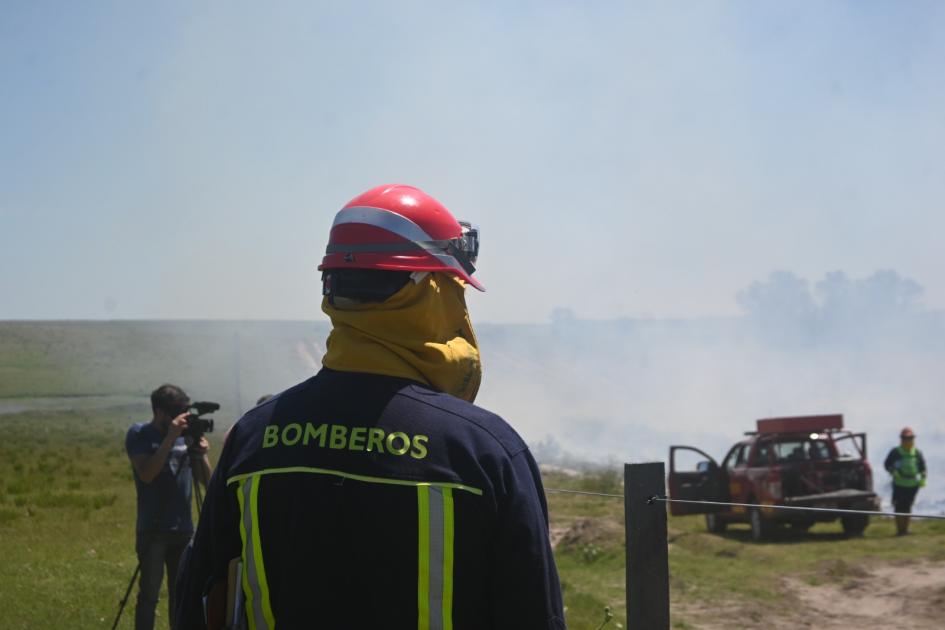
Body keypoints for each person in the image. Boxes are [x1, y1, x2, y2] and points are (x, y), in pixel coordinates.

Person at [174, 184, 566, 629]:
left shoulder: (254, 437)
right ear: (430, 291)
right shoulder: (485, 450)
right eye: (455, 287)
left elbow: (201, 604)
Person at [126, 384, 212, 630]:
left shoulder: (185, 438)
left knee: (181, 596)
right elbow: (147, 474)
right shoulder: (139, 434)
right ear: (159, 412)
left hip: (184, 529)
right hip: (153, 529)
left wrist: (201, 454)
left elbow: (207, 482)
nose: (180, 418)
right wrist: (170, 439)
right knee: (149, 596)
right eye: (176, 412)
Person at [884, 426, 927, 536]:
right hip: (899, 484)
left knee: (908, 506)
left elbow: (923, 467)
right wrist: (893, 471)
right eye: (905, 438)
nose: (908, 440)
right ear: (901, 439)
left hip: (912, 484)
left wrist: (923, 477)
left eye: (910, 438)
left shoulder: (917, 452)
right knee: (899, 506)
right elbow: (887, 464)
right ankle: (899, 529)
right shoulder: (896, 452)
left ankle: (905, 529)